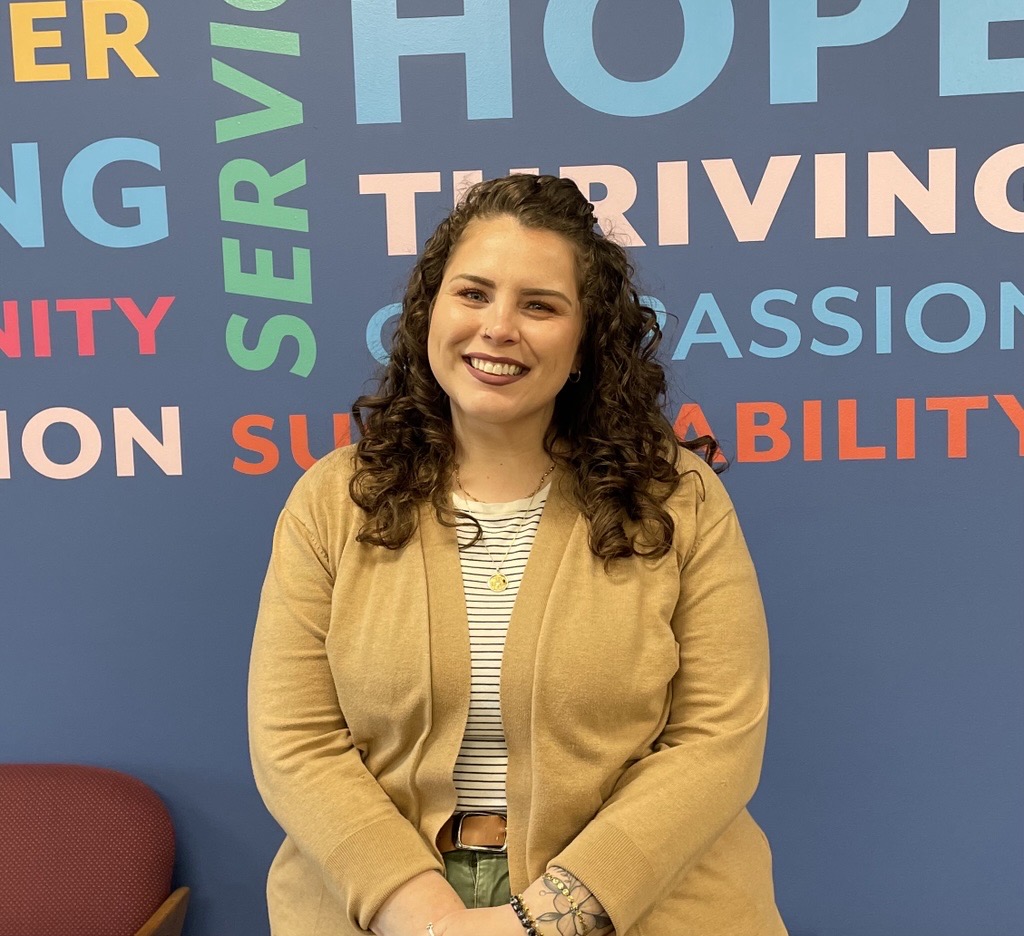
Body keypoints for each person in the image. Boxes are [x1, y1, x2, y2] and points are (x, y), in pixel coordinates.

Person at [249, 174, 787, 936]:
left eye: (539, 305)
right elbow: (294, 744)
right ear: (429, 312)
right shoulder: (334, 501)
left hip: (643, 908)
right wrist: (430, 917)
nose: (498, 327)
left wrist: (551, 917)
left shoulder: (678, 499)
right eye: (473, 293)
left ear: (583, 342)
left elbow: (718, 739)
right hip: (374, 908)